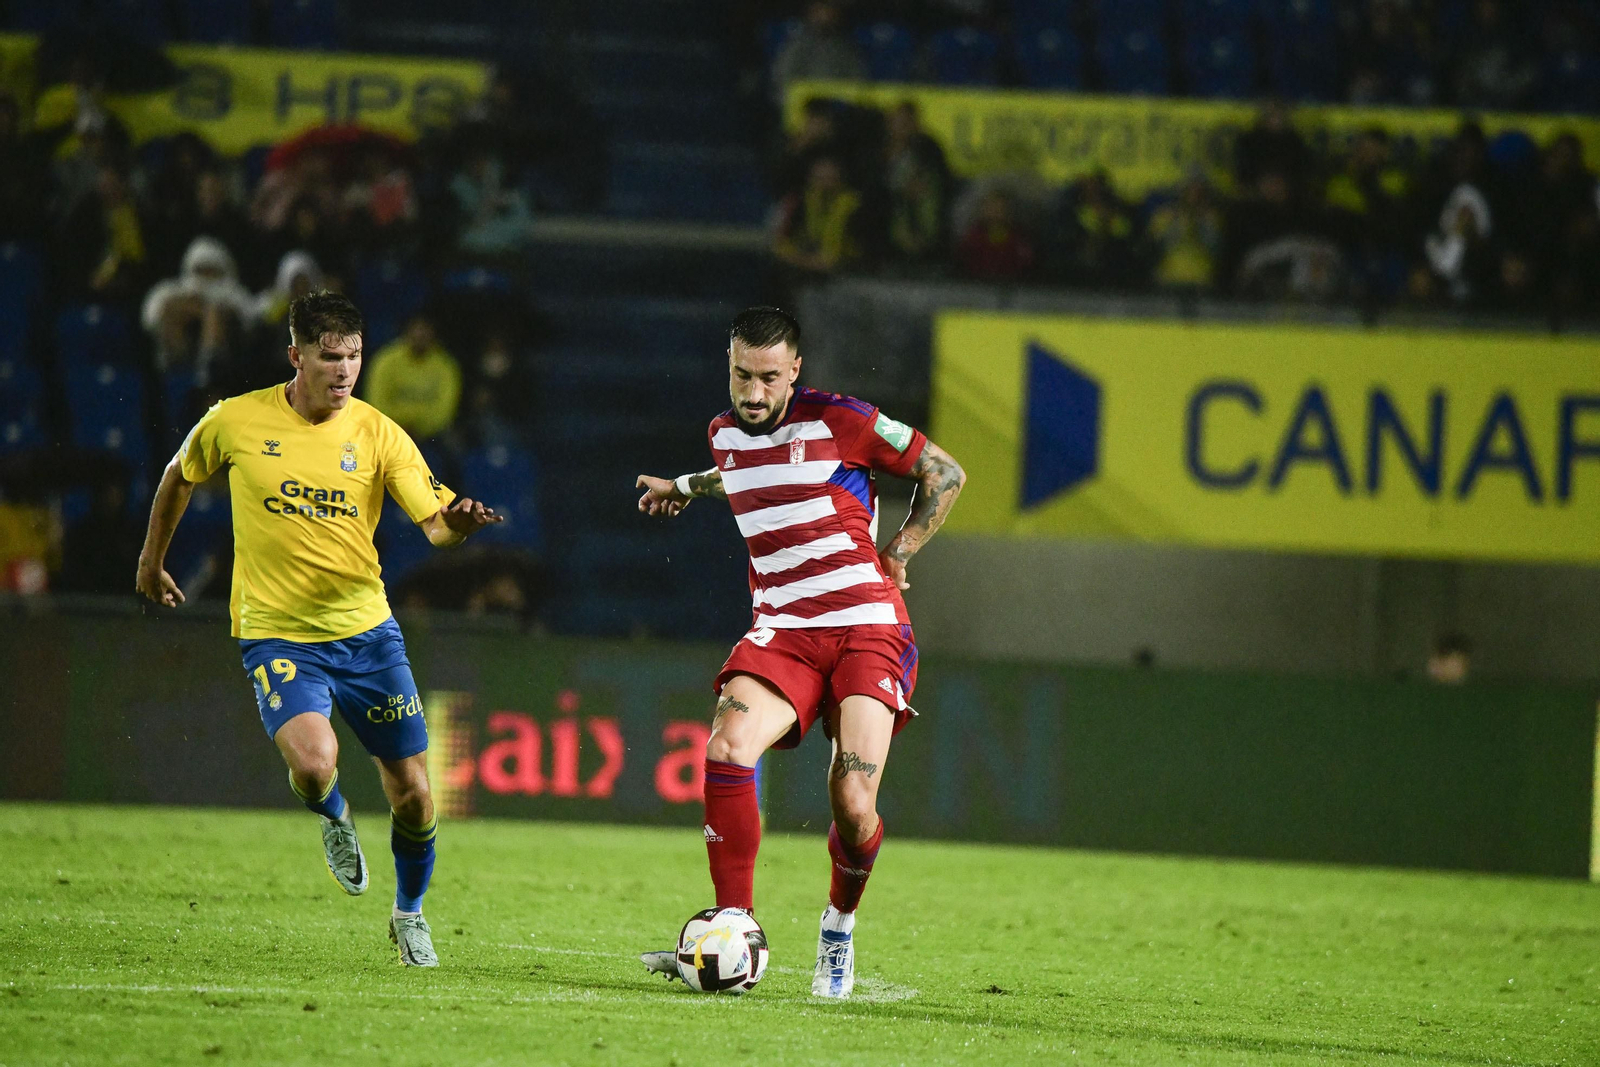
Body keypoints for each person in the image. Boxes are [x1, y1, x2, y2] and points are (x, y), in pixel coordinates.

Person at [134, 290, 502, 967]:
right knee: (312, 762)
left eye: (355, 356)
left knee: (416, 793)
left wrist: (462, 524)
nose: (344, 372)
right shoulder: (236, 420)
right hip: (277, 633)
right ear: (295, 354)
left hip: (366, 633)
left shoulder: (378, 432)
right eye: (330, 357)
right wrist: (152, 561)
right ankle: (334, 814)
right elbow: (177, 475)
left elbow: (434, 524)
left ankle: (409, 913)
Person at [633, 307, 966, 998]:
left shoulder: (844, 420)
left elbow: (945, 470)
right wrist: (683, 488)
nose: (752, 394)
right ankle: (735, 920)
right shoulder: (724, 435)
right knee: (727, 747)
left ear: (795, 372)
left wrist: (900, 548)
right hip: (783, 627)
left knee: (851, 797)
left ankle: (839, 923)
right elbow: (740, 470)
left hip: (866, 625)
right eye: (740, 376)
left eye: (768, 379)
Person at [363, 315, 463, 442]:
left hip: (431, 433)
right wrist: (399, 426)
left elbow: (446, 408)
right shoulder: (385, 360)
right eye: (416, 330)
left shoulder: (445, 364)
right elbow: (376, 401)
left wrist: (421, 429)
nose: (420, 335)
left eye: (425, 331)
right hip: (389, 429)